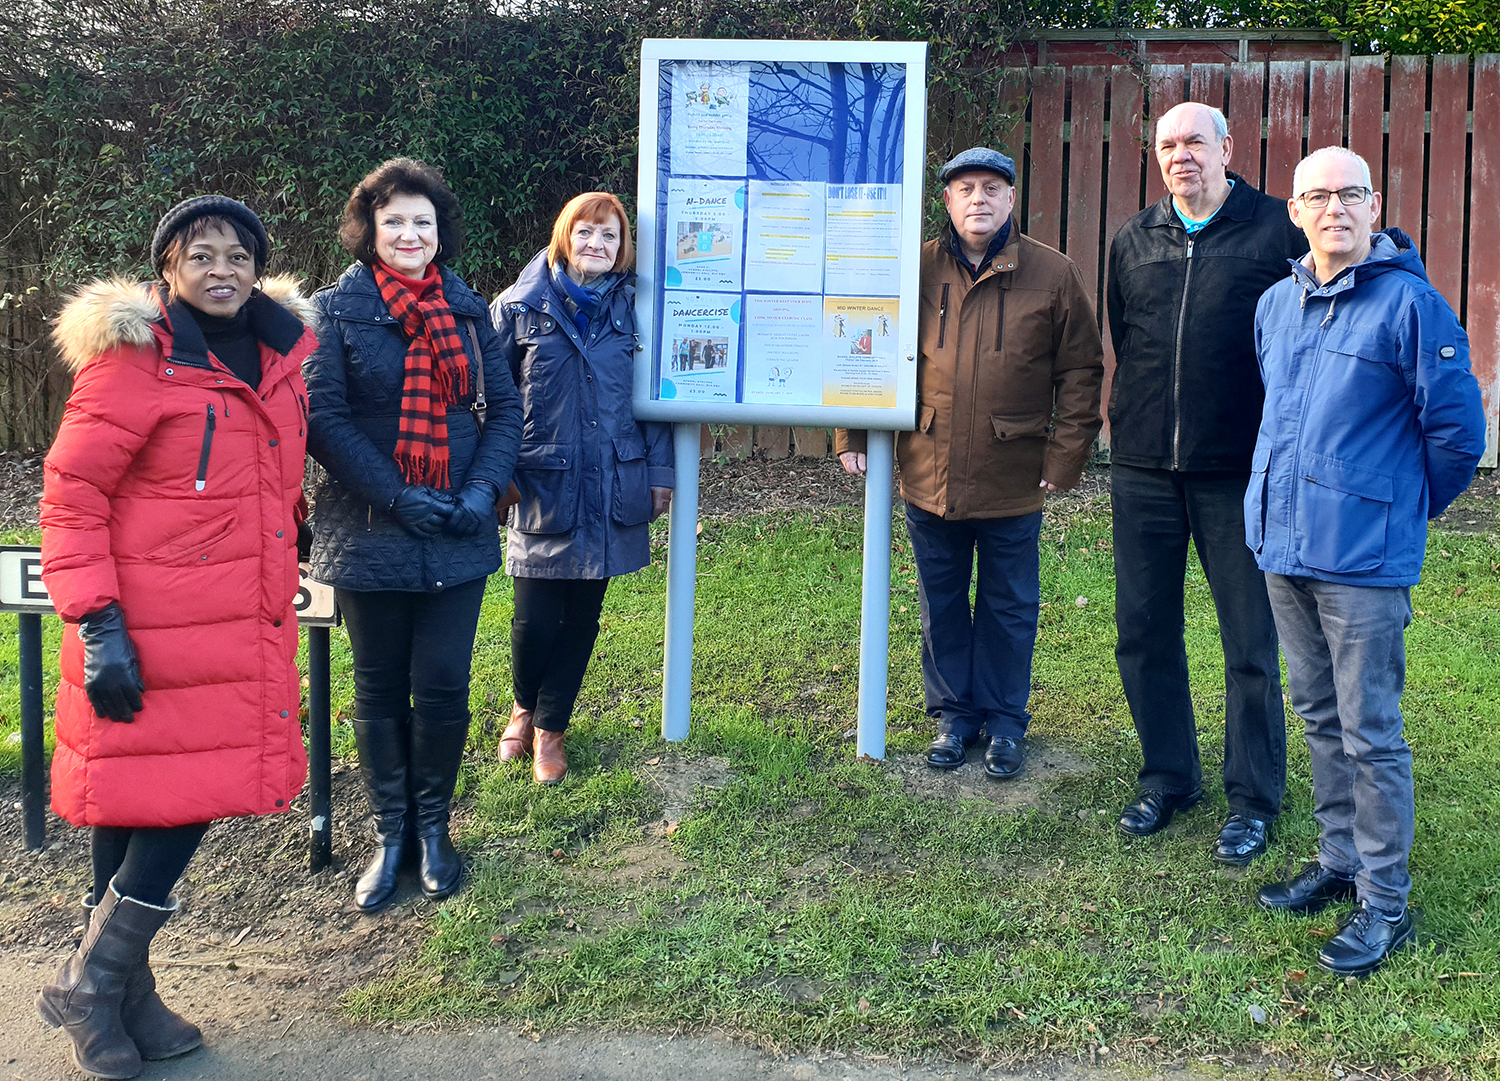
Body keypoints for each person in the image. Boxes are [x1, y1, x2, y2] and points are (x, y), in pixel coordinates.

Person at [37, 196, 317, 1077]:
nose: (223, 269)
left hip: (238, 613)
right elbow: (71, 496)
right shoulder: (133, 362)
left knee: (153, 794)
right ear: (168, 268)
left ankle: (116, 993)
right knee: (168, 791)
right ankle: (100, 979)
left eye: (239, 254)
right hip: (144, 623)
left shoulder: (277, 356)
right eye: (202, 255)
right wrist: (97, 622)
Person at [1248, 147, 1484, 976]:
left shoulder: (1411, 306)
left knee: (1370, 728)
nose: (1335, 208)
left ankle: (1384, 898)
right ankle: (1338, 857)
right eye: (1318, 195)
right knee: (1316, 713)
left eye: (1352, 194)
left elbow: (1457, 436)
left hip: (1362, 561)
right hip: (1283, 546)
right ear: (1294, 209)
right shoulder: (1276, 304)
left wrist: (1395, 512)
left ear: (1375, 205)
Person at [837, 148, 1104, 779]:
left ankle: (1007, 723)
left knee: (1010, 604)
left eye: (991, 188)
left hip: (1013, 471)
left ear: (1012, 199)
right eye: (964, 189)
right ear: (948, 202)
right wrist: (852, 431)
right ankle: (955, 717)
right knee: (942, 599)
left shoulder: (1053, 274)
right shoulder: (915, 268)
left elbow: (1081, 372)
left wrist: (1065, 457)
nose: (978, 199)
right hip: (928, 468)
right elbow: (863, 341)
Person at [304, 158, 522, 913]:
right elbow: (323, 420)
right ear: (370, 228)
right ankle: (388, 833)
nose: (408, 233)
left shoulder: (469, 310)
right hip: (372, 530)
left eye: (422, 222)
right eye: (394, 220)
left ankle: (435, 829)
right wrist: (398, 494)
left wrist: (482, 490)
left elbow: (505, 414)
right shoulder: (335, 310)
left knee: (443, 684)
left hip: (457, 529)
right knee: (378, 686)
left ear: (440, 232)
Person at [1105, 102, 1309, 861]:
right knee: (1143, 630)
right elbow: (1126, 334)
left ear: (1228, 146)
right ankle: (1168, 775)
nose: (1180, 154)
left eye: (1194, 140)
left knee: (1250, 639)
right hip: (1144, 469)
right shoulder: (1135, 238)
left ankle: (1253, 796)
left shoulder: (1274, 231)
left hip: (1238, 469)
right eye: (1167, 143)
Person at [490, 192, 673, 785]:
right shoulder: (518, 307)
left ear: (623, 249)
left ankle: (551, 727)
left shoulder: (638, 309)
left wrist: (661, 473)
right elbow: (489, 403)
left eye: (610, 236)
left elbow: (658, 399)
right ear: (564, 234)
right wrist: (496, 474)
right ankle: (523, 703)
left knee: (583, 618)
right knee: (534, 618)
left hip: (614, 477)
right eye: (588, 232)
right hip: (542, 483)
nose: (598, 245)